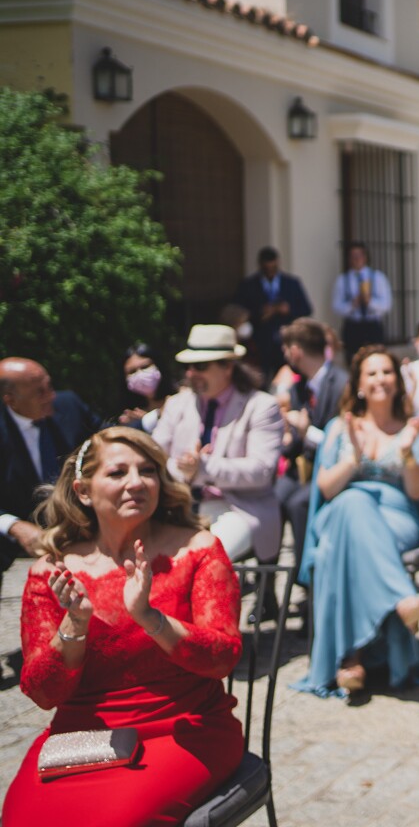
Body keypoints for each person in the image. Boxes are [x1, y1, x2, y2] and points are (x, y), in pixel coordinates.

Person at [1, 427, 242, 826]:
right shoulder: (53, 570)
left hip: (186, 727)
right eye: (117, 473)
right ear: (83, 491)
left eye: (147, 471)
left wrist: (150, 618)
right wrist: (75, 623)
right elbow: (44, 692)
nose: (137, 482)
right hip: (81, 737)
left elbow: (222, 659)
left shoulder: (197, 548)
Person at [293, 345, 419, 697]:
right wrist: (353, 458)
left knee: (337, 547)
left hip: (396, 517)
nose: (380, 379)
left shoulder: (413, 430)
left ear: (397, 381)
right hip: (342, 512)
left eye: (386, 372)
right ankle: (401, 597)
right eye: (371, 373)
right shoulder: (340, 428)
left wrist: (407, 454)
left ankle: (349, 658)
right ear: (358, 384)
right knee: (352, 503)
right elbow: (327, 488)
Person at [151, 326, 284, 562]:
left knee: (204, 558)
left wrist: (203, 468)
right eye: (189, 366)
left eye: (200, 366)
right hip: (180, 506)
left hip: (239, 508)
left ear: (228, 367)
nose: (191, 373)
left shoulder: (261, 406)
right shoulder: (177, 404)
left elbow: (262, 470)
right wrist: (186, 469)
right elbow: (153, 458)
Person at [1, 358, 99, 572]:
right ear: (11, 400)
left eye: (50, 386)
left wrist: (153, 419)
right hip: (15, 550)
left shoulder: (69, 405)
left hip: (83, 533)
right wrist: (13, 526)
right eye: (40, 392)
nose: (51, 396)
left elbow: (109, 435)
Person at [272, 318, 349, 582]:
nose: (285, 355)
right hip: (302, 467)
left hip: (331, 469)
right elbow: (294, 444)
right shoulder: (298, 387)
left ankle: (308, 577)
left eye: (286, 349)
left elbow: (341, 442)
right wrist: (287, 435)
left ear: (295, 351)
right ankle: (267, 587)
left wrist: (307, 432)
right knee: (274, 498)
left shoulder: (342, 384)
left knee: (298, 504)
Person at [232, 246, 314, 377]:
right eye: (267, 269)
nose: (270, 272)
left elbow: (306, 310)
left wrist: (288, 310)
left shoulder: (291, 283)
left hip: (285, 342)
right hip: (260, 344)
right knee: (260, 378)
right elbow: (238, 313)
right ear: (260, 266)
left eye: (273, 268)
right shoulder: (248, 286)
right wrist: (261, 312)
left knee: (287, 378)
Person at [331, 241, 393, 356]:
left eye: (359, 255)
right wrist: (352, 304)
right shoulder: (343, 280)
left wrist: (370, 302)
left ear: (365, 257)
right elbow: (336, 306)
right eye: (353, 256)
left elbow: (386, 304)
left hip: (372, 325)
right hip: (353, 325)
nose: (357, 259)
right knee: (352, 357)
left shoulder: (378, 277)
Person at [117, 344, 175, 433]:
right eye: (132, 371)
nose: (140, 374)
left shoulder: (178, 399)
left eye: (145, 367)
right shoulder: (131, 417)